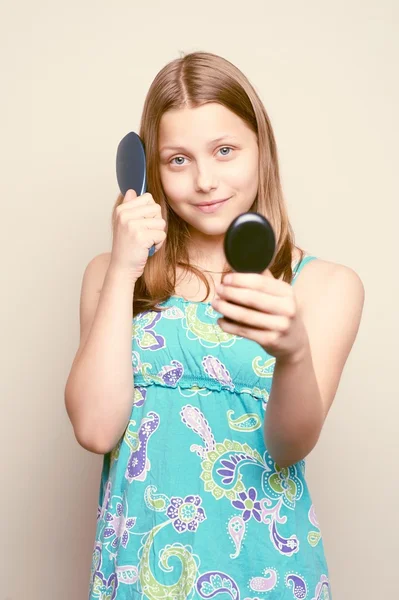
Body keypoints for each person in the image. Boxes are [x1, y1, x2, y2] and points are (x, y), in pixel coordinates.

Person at [65, 51, 364, 600]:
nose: (205, 180)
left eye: (225, 151)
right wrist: (126, 265)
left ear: (261, 149)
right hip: (137, 570)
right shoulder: (109, 274)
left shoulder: (325, 285)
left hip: (265, 569)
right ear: (149, 168)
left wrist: (294, 353)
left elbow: (289, 447)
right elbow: (94, 429)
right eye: (177, 160)